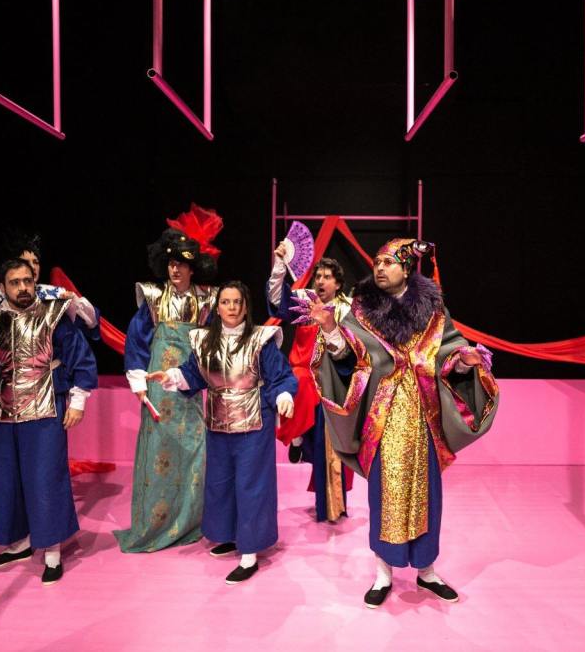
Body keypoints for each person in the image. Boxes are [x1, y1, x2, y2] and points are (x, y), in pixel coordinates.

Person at [304, 238, 499, 608]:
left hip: (425, 419)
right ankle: (383, 572)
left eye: (388, 262)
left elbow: (448, 355)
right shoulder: (360, 311)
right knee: (384, 495)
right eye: (377, 262)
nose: (379, 268)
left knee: (428, 496)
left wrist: (464, 361)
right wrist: (330, 330)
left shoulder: (435, 315)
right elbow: (347, 358)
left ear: (407, 269)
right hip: (382, 421)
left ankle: (427, 571)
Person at [0, 258, 98, 585]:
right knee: (7, 480)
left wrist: (78, 401)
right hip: (3, 409)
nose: (23, 287)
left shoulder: (54, 314)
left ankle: (52, 552)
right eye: (15, 282)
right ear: (2, 288)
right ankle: (20, 543)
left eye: (27, 281)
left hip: (46, 407)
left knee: (45, 479)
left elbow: (80, 357)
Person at [156, 281, 297, 584]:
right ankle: (230, 535)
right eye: (226, 302)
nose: (232, 307)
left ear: (246, 307)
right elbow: (193, 374)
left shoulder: (261, 339)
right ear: (217, 307)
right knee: (221, 483)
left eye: (237, 302)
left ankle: (250, 551)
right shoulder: (204, 340)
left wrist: (284, 395)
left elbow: (280, 376)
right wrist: (171, 376)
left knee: (251, 485)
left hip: (253, 423)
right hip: (218, 423)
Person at [114, 224, 220, 552]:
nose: (175, 270)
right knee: (157, 454)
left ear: (192, 268)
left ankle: (189, 523)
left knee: (194, 452)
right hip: (158, 390)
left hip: (190, 386)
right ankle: (153, 526)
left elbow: (213, 342)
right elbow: (137, 339)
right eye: (171, 264)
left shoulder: (207, 300)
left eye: (182, 264)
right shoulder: (153, 297)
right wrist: (138, 380)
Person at [266, 245, 354, 522]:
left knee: (332, 449)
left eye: (327, 277)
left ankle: (333, 505)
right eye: (318, 276)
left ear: (338, 284)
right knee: (296, 382)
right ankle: (296, 437)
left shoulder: (348, 309)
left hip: (335, 386)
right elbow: (277, 302)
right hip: (305, 382)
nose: (321, 280)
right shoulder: (305, 302)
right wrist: (279, 266)